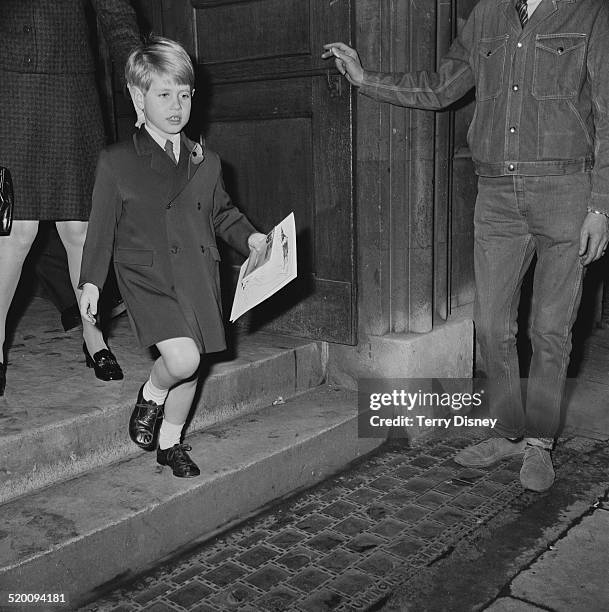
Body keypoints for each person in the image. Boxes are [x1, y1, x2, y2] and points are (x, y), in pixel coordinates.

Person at [323, 0, 609, 492]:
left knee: (549, 329)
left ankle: (540, 444)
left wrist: (601, 205)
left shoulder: (591, 12)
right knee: (492, 323)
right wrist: (365, 77)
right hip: (497, 194)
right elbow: (440, 85)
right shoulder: (487, 16)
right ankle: (507, 431)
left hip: (566, 191)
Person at [78, 36, 267, 478]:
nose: (176, 105)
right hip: (147, 275)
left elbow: (222, 214)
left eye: (184, 94)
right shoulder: (117, 161)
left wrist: (253, 238)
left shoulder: (208, 160)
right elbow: (101, 226)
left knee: (194, 364)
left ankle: (171, 443)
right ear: (137, 97)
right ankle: (151, 394)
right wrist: (90, 282)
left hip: (199, 271)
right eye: (164, 94)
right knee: (181, 360)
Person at [0, 0, 140, 395]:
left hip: (72, 85)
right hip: (9, 84)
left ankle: (92, 335)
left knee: (81, 226)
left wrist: (140, 81)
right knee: (15, 229)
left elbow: (116, 14)